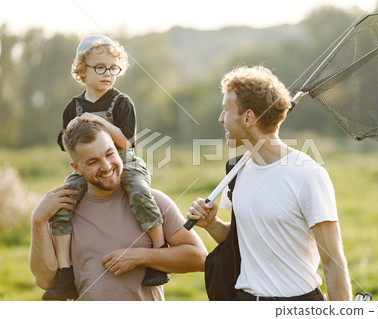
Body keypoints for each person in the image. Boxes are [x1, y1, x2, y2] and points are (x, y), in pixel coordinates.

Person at [187, 65, 352, 301]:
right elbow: (241, 241)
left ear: (248, 117)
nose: (220, 119)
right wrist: (212, 224)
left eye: (226, 110)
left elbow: (333, 264)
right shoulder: (235, 171)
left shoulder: (308, 176)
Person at [46, 35, 167, 300]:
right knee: (63, 202)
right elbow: (66, 143)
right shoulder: (73, 107)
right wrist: (71, 127)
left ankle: (159, 252)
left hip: (125, 163)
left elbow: (126, 141)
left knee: (139, 191)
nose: (107, 74)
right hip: (88, 167)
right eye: (99, 67)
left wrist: (94, 121)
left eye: (113, 68)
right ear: (81, 70)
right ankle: (65, 272)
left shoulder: (121, 102)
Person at [29, 120, 207, 300]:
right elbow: (45, 280)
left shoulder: (154, 201)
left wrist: (140, 256)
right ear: (77, 168)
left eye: (109, 154)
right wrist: (38, 219)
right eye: (93, 162)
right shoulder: (66, 212)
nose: (106, 166)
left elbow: (199, 258)